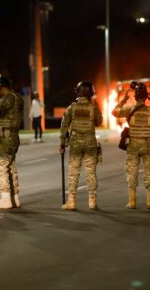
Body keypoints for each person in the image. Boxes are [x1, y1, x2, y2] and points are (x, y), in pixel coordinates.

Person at [112, 83, 150, 209]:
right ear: (146, 97)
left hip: (133, 145)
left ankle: (132, 202)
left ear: (135, 97)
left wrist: (124, 99)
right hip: (148, 145)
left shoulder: (129, 109)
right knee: (149, 172)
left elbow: (114, 112)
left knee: (132, 172)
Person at [59, 81, 103, 210]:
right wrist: (97, 106)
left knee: (73, 173)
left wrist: (62, 143)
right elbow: (99, 122)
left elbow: (64, 126)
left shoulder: (72, 107)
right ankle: (92, 202)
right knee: (91, 173)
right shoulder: (93, 107)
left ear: (78, 92)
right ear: (91, 93)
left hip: (75, 143)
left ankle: (71, 202)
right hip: (90, 142)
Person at [0, 74, 23, 209]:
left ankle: (5, 198)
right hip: (11, 136)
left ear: (0, 86)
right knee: (10, 168)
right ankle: (14, 198)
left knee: (0, 167)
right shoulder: (16, 97)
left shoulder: (9, 98)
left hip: (6, 138)